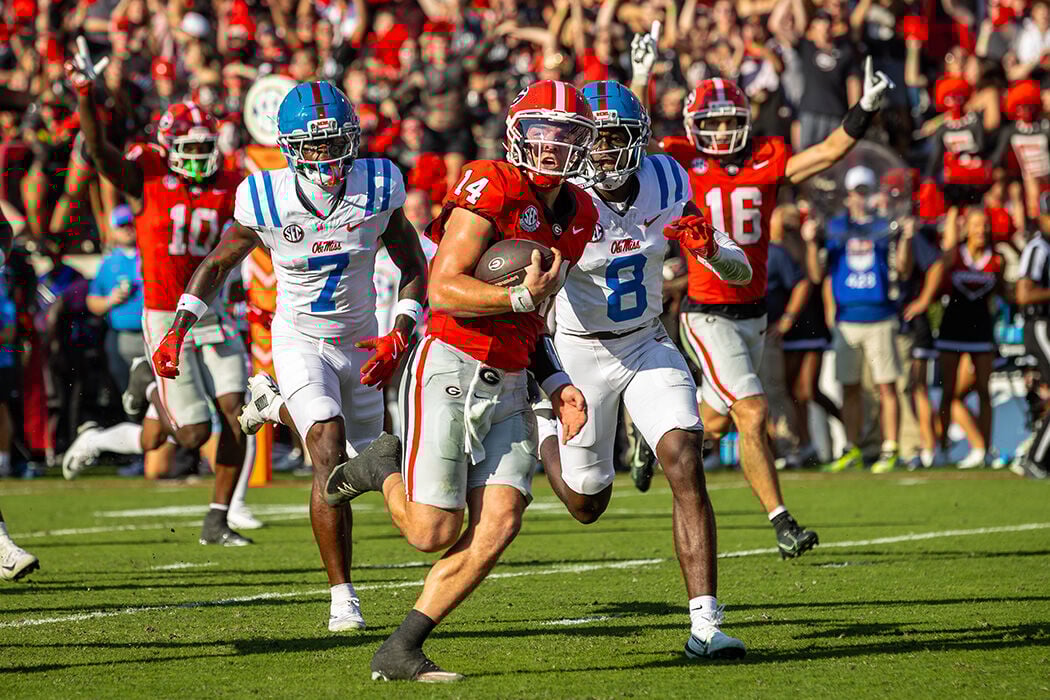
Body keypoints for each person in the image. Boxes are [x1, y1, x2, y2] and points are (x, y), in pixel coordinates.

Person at [322, 79, 597, 681]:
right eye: (543, 131)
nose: (554, 145)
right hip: (451, 364)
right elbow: (444, 288)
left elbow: (535, 318)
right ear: (517, 134)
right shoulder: (490, 182)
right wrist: (519, 296)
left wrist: (557, 382)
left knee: (500, 522)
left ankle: (401, 649)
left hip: (513, 377)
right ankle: (381, 468)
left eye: (568, 134)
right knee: (433, 530)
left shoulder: (581, 212)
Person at [150, 80, 428, 633]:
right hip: (301, 339)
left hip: (363, 342)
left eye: (334, 142)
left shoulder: (379, 183)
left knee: (371, 462)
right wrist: (177, 328)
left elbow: (413, 264)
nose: (326, 156)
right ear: (290, 148)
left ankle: (273, 406)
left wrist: (400, 331)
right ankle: (342, 597)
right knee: (326, 451)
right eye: (313, 145)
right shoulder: (265, 196)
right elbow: (218, 262)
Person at [535, 79, 750, 659]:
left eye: (615, 139)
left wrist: (711, 249)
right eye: (594, 139)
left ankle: (705, 625)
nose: (603, 151)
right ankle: (544, 433)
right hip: (579, 350)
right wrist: (543, 370)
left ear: (639, 140)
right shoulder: (560, 196)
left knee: (684, 456)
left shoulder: (668, 179)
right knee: (587, 504)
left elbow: (741, 271)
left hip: (646, 342)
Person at [651, 52, 894, 556]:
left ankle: (649, 435)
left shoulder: (766, 158)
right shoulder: (679, 163)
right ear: (693, 125)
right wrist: (641, 78)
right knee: (754, 411)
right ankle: (782, 522)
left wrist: (865, 109)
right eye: (712, 122)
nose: (721, 131)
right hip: (706, 310)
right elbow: (631, 146)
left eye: (729, 121)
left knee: (718, 419)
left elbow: (827, 152)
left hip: (754, 311)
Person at [65, 40, 251, 546]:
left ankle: (217, 519)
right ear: (168, 148)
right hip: (165, 315)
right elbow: (99, 150)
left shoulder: (229, 182)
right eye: (189, 149)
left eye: (205, 148)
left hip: (212, 311)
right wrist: (85, 96)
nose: (200, 158)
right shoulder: (146, 173)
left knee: (239, 413)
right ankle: (148, 383)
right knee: (189, 435)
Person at [905, 207, 1005, 469]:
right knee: (948, 391)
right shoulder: (954, 256)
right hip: (953, 329)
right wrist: (924, 300)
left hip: (982, 331)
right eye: (976, 225)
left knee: (983, 390)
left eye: (985, 225)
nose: (981, 230)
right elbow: (936, 273)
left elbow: (1003, 292)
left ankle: (984, 450)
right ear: (966, 228)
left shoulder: (997, 259)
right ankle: (943, 448)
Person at [822, 166, 904, 474]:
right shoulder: (837, 227)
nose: (860, 198)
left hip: (880, 314)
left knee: (886, 385)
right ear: (848, 195)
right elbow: (822, 273)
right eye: (856, 192)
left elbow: (903, 267)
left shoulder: (885, 226)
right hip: (847, 316)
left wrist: (905, 236)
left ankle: (890, 447)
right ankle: (851, 446)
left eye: (865, 192)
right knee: (849, 386)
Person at [86, 204, 145, 394]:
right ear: (113, 230)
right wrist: (110, 300)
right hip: (122, 337)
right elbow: (92, 301)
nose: (127, 229)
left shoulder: (149, 254)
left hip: (152, 333)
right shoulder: (109, 263)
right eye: (121, 226)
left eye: (130, 224)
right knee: (129, 394)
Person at [1016, 192, 1050, 479]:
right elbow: (1024, 295)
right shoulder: (1039, 247)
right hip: (1040, 325)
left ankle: (1038, 457)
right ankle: (1037, 459)